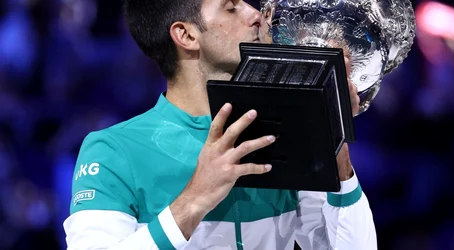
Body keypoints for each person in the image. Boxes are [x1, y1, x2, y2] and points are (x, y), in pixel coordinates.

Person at [63, 0, 377, 249]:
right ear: (185, 35)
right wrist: (196, 197)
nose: (256, 15)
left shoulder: (281, 132)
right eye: (231, 6)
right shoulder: (113, 151)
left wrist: (332, 135)